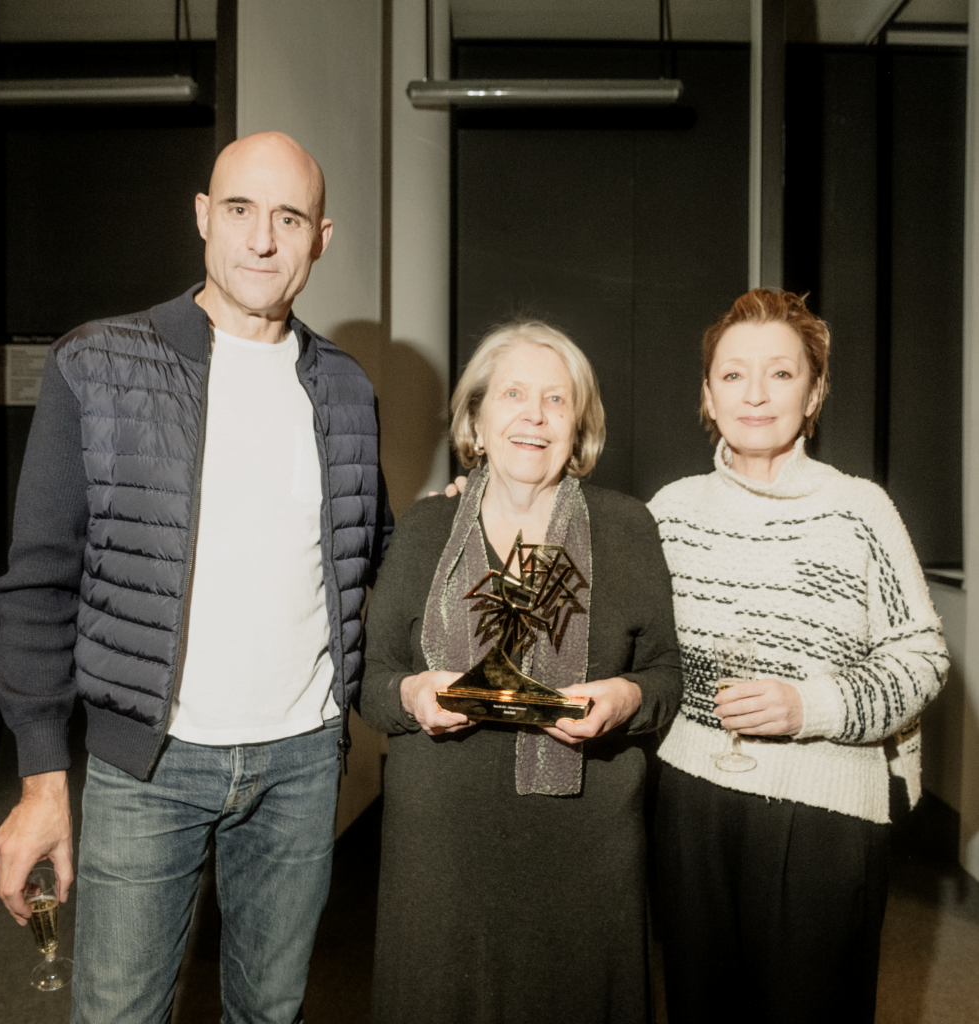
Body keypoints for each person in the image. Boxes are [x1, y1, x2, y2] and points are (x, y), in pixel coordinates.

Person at [0, 131, 392, 1023]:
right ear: (204, 218)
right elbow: (38, 585)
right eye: (241, 210)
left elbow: (373, 550)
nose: (261, 239)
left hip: (302, 762)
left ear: (321, 239)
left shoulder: (346, 389)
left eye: (289, 218)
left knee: (270, 1011)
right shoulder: (97, 364)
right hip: (148, 763)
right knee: (119, 1014)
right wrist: (41, 775)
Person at [359, 320, 682, 1024]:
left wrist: (626, 696)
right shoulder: (423, 531)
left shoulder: (627, 529)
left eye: (556, 400)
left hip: (582, 850)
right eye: (511, 394)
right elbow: (371, 679)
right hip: (441, 850)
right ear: (475, 418)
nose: (533, 415)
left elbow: (664, 675)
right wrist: (413, 692)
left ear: (580, 425)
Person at [647, 289, 949, 1024]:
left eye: (781, 374)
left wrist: (807, 707)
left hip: (824, 814)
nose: (755, 394)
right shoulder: (668, 512)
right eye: (732, 375)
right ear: (707, 395)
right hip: (688, 802)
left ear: (814, 393)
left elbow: (924, 656)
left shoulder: (861, 510)